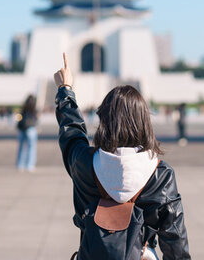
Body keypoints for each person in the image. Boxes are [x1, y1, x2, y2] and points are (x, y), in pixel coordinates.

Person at [53, 53, 190, 259]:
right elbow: (174, 237)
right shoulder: (160, 174)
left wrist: (65, 91)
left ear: (104, 121)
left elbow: (72, 135)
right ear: (144, 122)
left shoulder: (84, 163)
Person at [16, 95, 38, 172]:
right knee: (31, 148)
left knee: (21, 148)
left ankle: (20, 165)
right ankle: (30, 165)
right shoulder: (34, 109)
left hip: (22, 128)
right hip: (31, 128)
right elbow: (36, 119)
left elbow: (19, 118)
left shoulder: (23, 109)